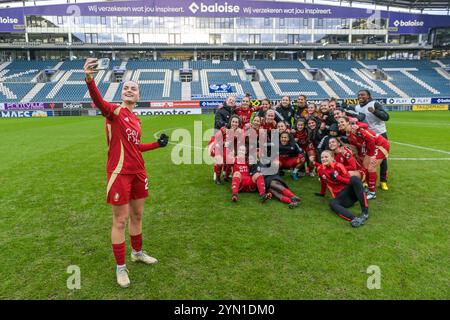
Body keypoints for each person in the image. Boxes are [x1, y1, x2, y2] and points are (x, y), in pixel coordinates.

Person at [84, 58, 169, 288]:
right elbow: (98, 102)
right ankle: (121, 268)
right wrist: (90, 79)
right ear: (122, 93)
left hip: (138, 172)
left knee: (138, 216)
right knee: (120, 220)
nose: (129, 90)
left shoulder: (136, 120)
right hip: (119, 173)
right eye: (126, 88)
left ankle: (137, 253)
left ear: (139, 96)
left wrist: (156, 145)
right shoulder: (114, 111)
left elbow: (135, 147)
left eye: (134, 88)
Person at [337, 116, 390, 199]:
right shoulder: (349, 134)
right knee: (364, 167)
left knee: (371, 167)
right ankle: (369, 188)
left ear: (348, 122)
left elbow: (371, 141)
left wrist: (372, 156)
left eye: (342, 122)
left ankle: (372, 193)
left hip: (380, 145)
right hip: (370, 148)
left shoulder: (356, 130)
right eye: (339, 123)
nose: (340, 124)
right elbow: (359, 146)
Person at [315, 151, 369, 228]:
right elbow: (323, 183)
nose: (323, 159)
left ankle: (365, 212)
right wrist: (322, 193)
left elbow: (349, 181)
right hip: (341, 198)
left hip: (349, 193)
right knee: (332, 203)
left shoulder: (338, 165)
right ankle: (354, 219)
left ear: (332, 158)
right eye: (322, 157)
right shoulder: (320, 169)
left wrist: (338, 178)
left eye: (326, 157)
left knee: (354, 179)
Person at [354, 89, 390, 191]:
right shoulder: (357, 107)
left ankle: (383, 181)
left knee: (382, 159)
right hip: (366, 136)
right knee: (365, 158)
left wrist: (374, 111)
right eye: (359, 95)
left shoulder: (375, 104)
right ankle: (366, 180)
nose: (360, 96)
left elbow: (386, 117)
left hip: (380, 135)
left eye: (363, 95)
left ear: (368, 96)